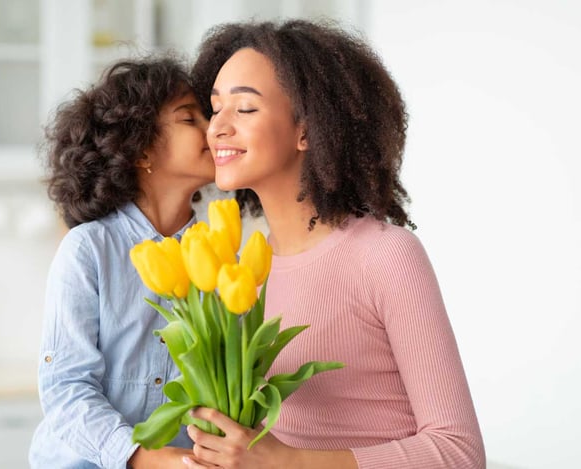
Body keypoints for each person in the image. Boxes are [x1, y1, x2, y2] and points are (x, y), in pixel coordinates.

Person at [183, 19, 486, 469]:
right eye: (215, 108)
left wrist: (291, 462)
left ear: (307, 129)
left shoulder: (385, 255)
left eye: (244, 109)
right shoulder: (243, 266)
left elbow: (458, 452)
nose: (218, 128)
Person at [28, 56, 215, 469]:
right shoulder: (88, 249)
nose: (213, 128)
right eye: (190, 119)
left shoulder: (219, 255)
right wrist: (143, 458)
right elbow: (66, 388)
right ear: (141, 148)